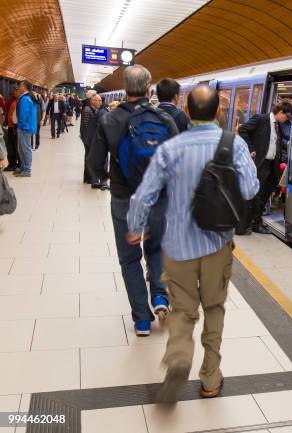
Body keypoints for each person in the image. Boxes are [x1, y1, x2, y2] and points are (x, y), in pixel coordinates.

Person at [127, 85, 258, 403]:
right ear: (217, 112)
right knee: (214, 308)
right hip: (217, 244)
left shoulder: (171, 148)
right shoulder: (234, 144)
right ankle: (211, 378)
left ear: (186, 112)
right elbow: (251, 189)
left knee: (183, 311)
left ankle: (179, 359)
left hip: (178, 247)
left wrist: (135, 226)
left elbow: (145, 194)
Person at [88, 64, 179, 336]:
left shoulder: (109, 119)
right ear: (149, 86)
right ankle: (160, 297)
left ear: (125, 87)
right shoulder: (164, 119)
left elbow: (94, 162)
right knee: (156, 248)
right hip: (157, 198)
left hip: (123, 197)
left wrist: (110, 178)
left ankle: (141, 319)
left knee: (129, 258)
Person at [237, 100, 292, 234]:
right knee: (257, 195)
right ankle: (252, 223)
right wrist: (251, 148)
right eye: (287, 116)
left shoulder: (277, 125)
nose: (287, 119)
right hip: (260, 164)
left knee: (264, 195)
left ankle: (256, 222)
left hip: (271, 166)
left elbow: (277, 142)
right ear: (280, 112)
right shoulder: (261, 119)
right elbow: (242, 130)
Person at [84, 94, 109, 190]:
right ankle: (103, 183)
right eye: (98, 101)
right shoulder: (103, 112)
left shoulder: (99, 111)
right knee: (104, 161)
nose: (100, 102)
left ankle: (95, 181)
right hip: (99, 142)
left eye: (100, 101)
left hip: (93, 141)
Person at [14, 80, 37, 177]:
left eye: (20, 85)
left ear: (25, 87)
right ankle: (23, 167)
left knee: (25, 149)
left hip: (24, 127)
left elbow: (23, 114)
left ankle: (27, 170)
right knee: (22, 149)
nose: (19, 87)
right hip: (25, 126)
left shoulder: (25, 99)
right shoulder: (28, 97)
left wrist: (20, 125)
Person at [80, 90, 97, 184]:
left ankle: (88, 177)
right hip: (88, 138)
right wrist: (88, 138)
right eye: (94, 97)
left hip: (88, 137)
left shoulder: (89, 108)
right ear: (91, 98)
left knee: (88, 156)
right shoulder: (87, 109)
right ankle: (88, 177)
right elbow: (86, 125)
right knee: (88, 157)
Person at [3, 88, 20, 171]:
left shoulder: (20, 101)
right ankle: (11, 164)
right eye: (14, 91)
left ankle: (19, 164)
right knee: (10, 146)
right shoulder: (12, 100)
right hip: (10, 126)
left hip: (16, 127)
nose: (14, 92)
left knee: (16, 146)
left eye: (16, 91)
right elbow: (5, 106)